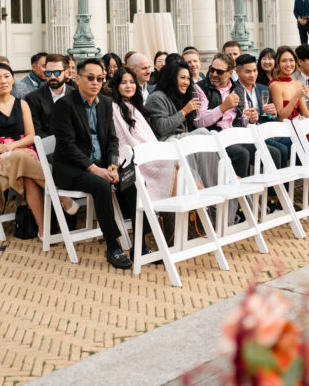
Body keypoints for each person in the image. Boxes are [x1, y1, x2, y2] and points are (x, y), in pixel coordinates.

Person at [51, 58, 132, 270]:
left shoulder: (105, 102)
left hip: (101, 165)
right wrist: (96, 170)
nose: (95, 82)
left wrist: (113, 165)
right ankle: (113, 246)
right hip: (71, 169)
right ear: (78, 79)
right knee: (102, 185)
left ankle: (141, 242)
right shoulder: (64, 106)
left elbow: (112, 139)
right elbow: (67, 147)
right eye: (90, 78)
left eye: (99, 78)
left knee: (131, 178)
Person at [0, 62, 48, 236]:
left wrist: (14, 146)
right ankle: (61, 196)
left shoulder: (22, 104)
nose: (3, 81)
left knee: (28, 175)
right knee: (21, 159)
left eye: (7, 77)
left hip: (23, 149)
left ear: (13, 79)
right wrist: (9, 150)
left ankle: (43, 230)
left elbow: (31, 136)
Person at [109, 67, 176, 201]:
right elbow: (126, 139)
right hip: (136, 158)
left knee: (177, 164)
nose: (129, 86)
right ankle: (192, 203)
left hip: (148, 151)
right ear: (116, 85)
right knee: (173, 166)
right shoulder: (115, 107)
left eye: (132, 82)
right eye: (124, 83)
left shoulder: (132, 105)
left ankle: (191, 204)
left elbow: (146, 136)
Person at [194, 53, 253, 176]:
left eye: (219, 72)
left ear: (230, 73)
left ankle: (267, 189)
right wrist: (223, 107)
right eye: (212, 69)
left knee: (274, 152)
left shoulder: (239, 89)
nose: (214, 74)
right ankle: (238, 188)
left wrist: (251, 118)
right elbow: (198, 121)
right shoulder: (201, 88)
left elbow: (244, 118)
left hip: (237, 135)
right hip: (215, 138)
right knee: (242, 154)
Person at [269, 46, 309, 161]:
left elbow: (305, 112)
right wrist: (295, 97)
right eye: (284, 61)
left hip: (299, 124)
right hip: (286, 128)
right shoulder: (275, 85)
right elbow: (281, 116)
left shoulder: (297, 83)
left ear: (296, 62)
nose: (288, 64)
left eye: (291, 60)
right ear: (278, 63)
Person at [235, 53, 288, 167]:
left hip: (268, 131)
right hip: (251, 134)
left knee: (301, 144)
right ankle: (279, 179)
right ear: (237, 72)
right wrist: (249, 119)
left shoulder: (263, 89)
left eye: (255, 70)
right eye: (248, 72)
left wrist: (273, 114)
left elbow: (268, 116)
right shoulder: (234, 90)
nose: (252, 75)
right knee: (282, 150)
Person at [143, 60, 200, 140]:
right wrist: (184, 111)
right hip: (166, 142)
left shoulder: (179, 96)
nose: (186, 82)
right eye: (183, 78)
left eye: (188, 79)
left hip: (180, 140)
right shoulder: (156, 98)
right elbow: (162, 129)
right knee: (202, 133)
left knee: (208, 134)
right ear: (172, 78)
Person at [25, 53, 75, 139]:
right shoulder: (33, 98)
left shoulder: (76, 95)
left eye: (57, 72)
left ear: (66, 73)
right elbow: (36, 131)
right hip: (47, 144)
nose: (52, 77)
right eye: (48, 73)